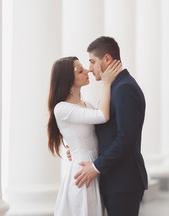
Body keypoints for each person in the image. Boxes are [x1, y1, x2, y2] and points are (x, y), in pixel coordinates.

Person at [71, 36, 148, 216]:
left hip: (123, 182)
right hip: (116, 181)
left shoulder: (124, 89)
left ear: (107, 59)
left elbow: (126, 139)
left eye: (92, 62)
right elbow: (109, 132)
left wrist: (96, 167)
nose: (89, 69)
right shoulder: (116, 87)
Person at [47, 56, 121, 216]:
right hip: (82, 173)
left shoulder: (88, 105)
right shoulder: (61, 108)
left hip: (95, 168)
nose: (88, 70)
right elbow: (102, 116)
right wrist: (106, 83)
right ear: (68, 80)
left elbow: (99, 133)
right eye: (80, 71)